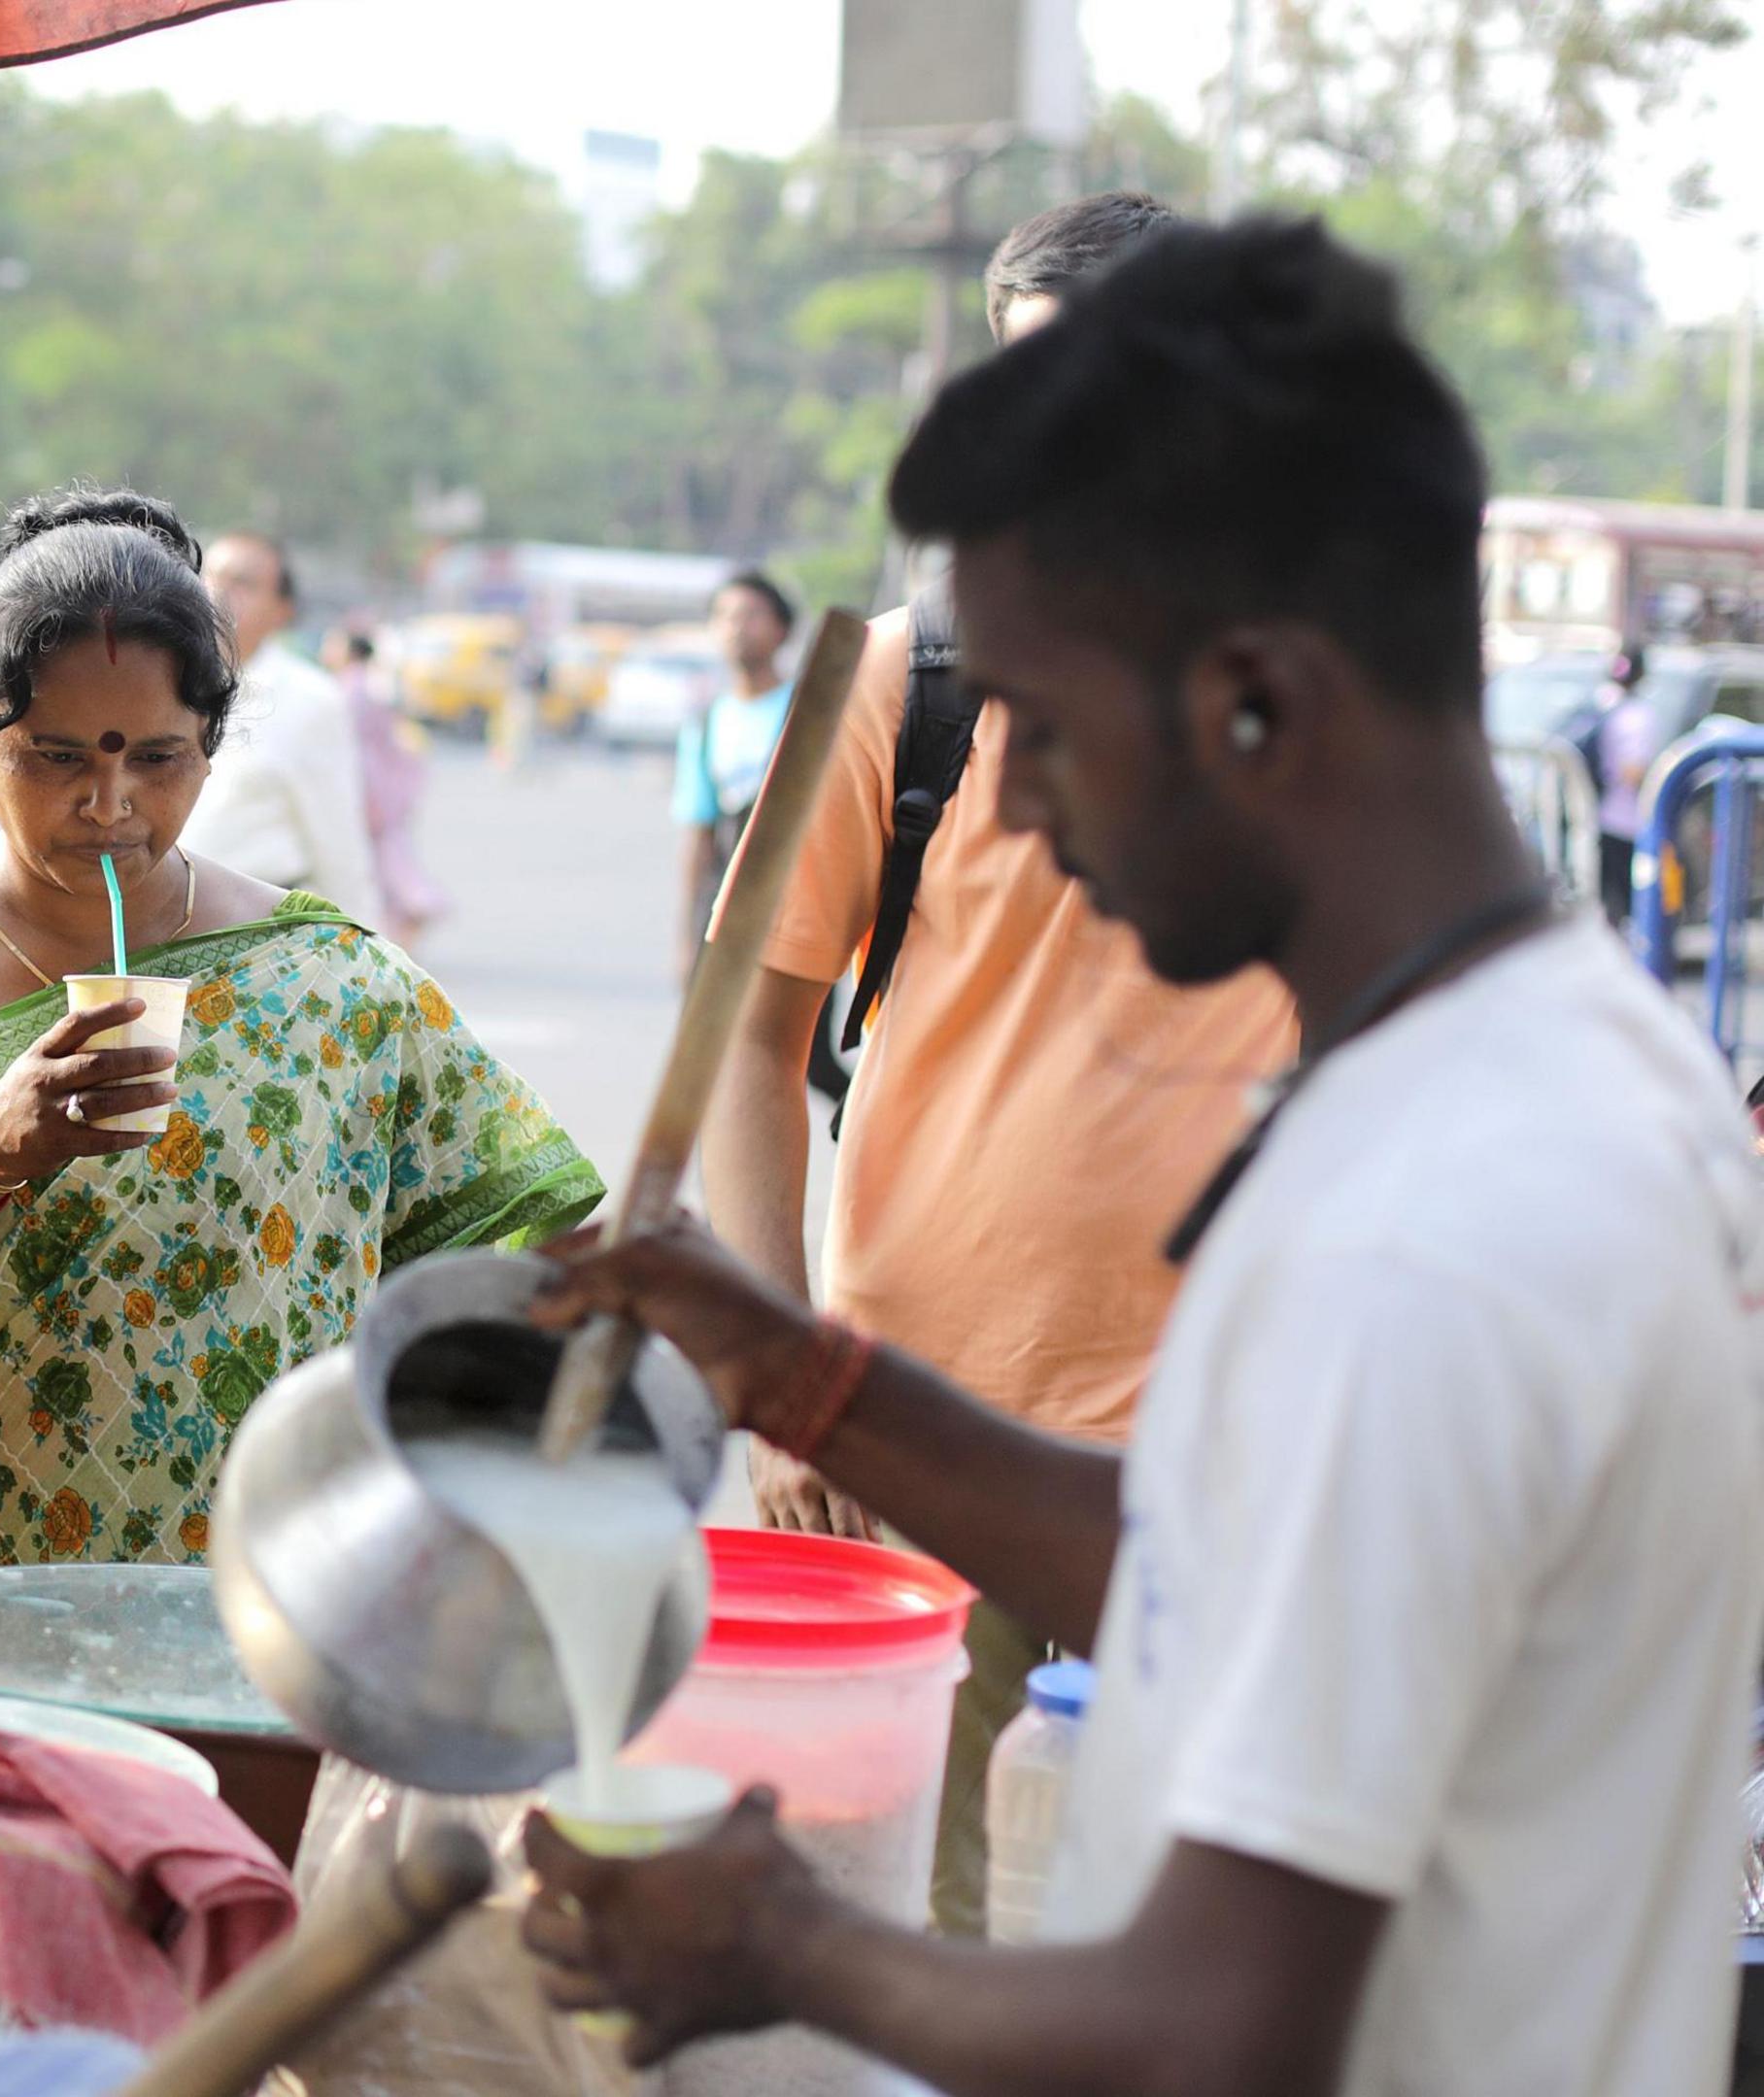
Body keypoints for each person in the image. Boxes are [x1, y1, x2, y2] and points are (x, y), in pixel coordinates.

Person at [519, 217, 1764, 2097]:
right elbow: (1216, 1574)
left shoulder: (1442, 1222)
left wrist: (774, 1938)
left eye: (1046, 719)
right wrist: (800, 1370)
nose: (1005, 792)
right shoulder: (1547, 1067)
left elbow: (1211, 2021)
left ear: (1254, 693)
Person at [696, 191, 1298, 1939]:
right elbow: (752, 1016)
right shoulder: (908, 675)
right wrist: (781, 1351)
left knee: (1182, 1950)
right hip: (907, 1436)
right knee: (919, 1936)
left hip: (1216, 1457)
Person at [0, 490, 600, 1600]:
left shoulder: (335, 980)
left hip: (262, 1636)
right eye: (56, 758)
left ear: (214, 746)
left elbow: (514, 1261)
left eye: (160, 758)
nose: (111, 804)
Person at [180, 530, 386, 930]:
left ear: (282, 609)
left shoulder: (309, 699)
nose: (219, 593)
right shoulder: (161, 683)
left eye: (244, 583)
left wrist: (361, 939)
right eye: (211, 577)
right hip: (159, 928)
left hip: (257, 933)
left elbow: (336, 836)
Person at [669, 569, 796, 971]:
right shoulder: (708, 722)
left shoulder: (808, 713)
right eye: (725, 616)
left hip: (795, 909)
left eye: (751, 615)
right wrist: (688, 938)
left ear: (782, 629)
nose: (736, 627)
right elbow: (699, 832)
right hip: (725, 908)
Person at [330, 623, 450, 942]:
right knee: (388, 853)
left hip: (365, 780)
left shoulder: (348, 688)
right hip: (380, 776)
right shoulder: (370, 686)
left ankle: (412, 904)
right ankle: (407, 909)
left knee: (377, 858)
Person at [1580, 634, 1657, 919]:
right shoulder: (1638, 715)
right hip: (1628, 821)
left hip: (1599, 815)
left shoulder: (1602, 704)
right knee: (1631, 903)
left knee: (1607, 902)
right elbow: (1633, 771)